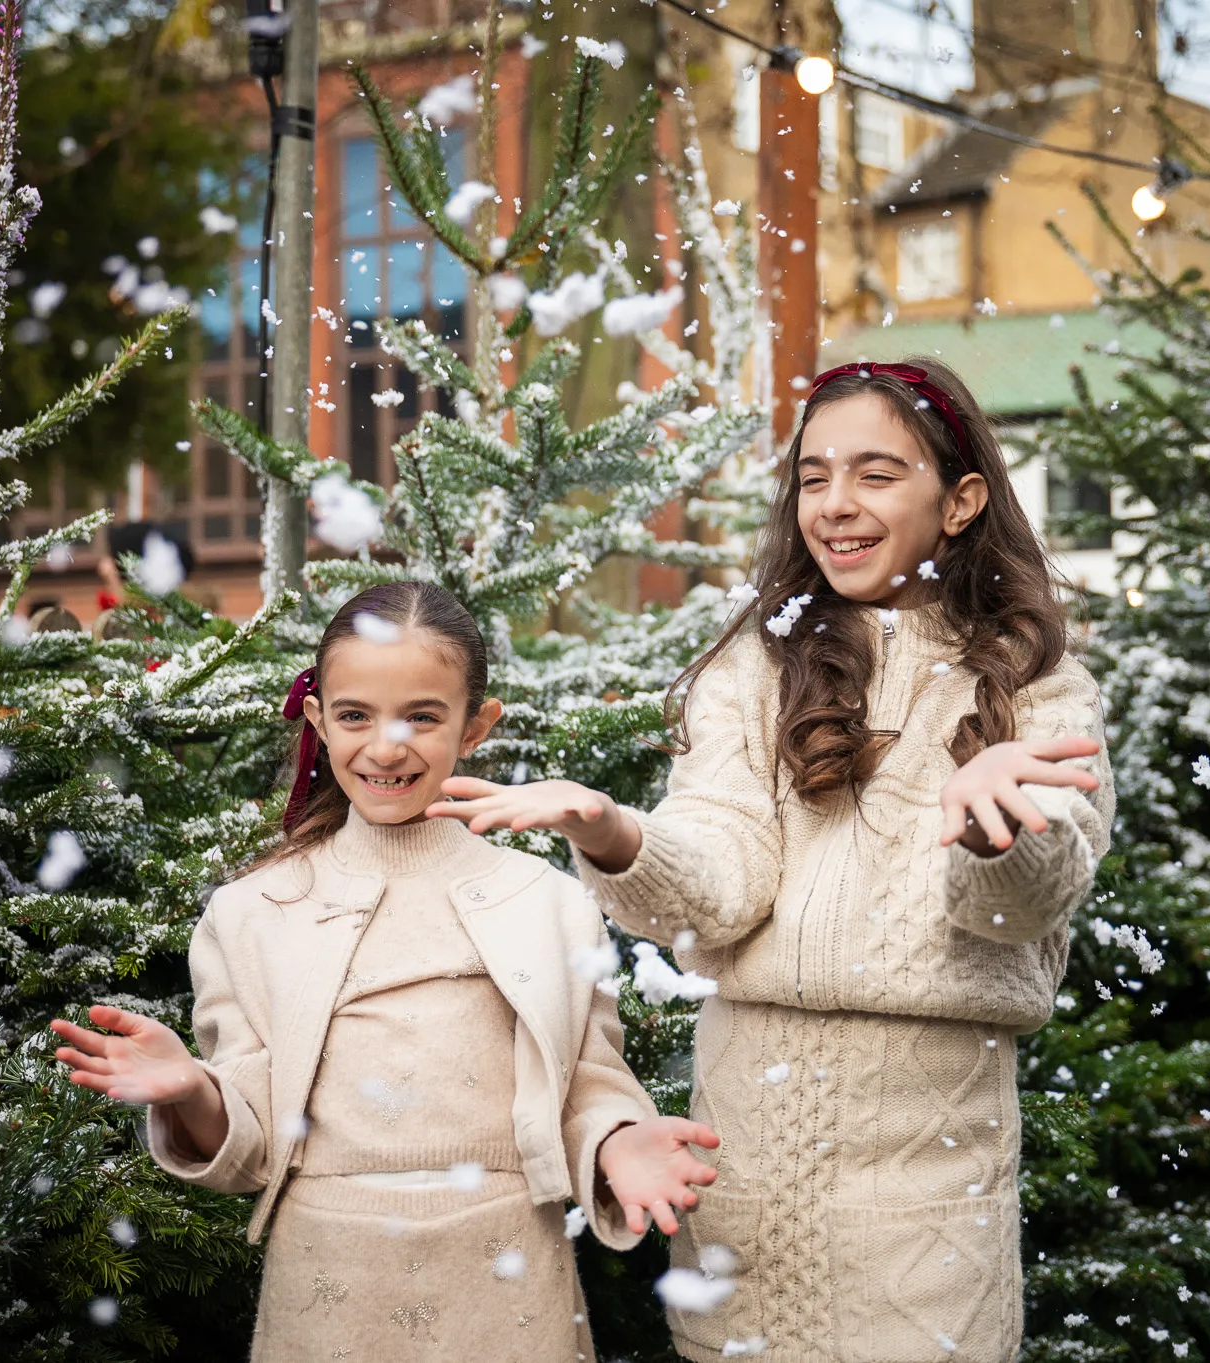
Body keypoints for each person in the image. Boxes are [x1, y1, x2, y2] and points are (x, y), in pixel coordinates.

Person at [433, 357, 1114, 1363]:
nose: (834, 505)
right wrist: (613, 830)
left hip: (924, 1187)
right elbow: (720, 884)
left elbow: (1021, 911)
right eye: (812, 476)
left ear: (960, 499)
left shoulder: (1034, 685)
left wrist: (992, 829)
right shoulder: (759, 667)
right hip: (745, 1161)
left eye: (876, 474)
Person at [50, 581, 718, 1362]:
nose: (386, 745)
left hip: (505, 1281)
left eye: (423, 716)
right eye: (356, 714)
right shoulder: (255, 911)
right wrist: (197, 1091)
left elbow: (584, 1086)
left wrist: (618, 1141)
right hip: (329, 1281)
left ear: (477, 726)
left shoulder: (546, 903)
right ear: (318, 718)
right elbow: (254, 1141)